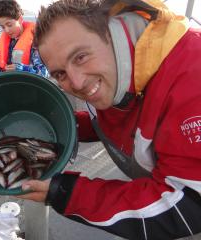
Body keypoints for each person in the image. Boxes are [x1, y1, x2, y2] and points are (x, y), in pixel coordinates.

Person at [17, 0, 201, 239]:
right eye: (60, 73)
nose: (77, 83)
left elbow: (188, 202)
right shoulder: (116, 66)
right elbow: (110, 119)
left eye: (81, 56)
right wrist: (66, 125)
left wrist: (65, 193)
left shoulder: (192, 75)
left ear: (112, 34)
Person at [0, 0, 48, 77]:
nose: (7, 30)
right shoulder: (8, 42)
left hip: (31, 85)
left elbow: (44, 73)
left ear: (20, 19)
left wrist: (23, 69)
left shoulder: (36, 41)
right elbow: (1, 70)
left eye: (9, 25)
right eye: (2, 27)